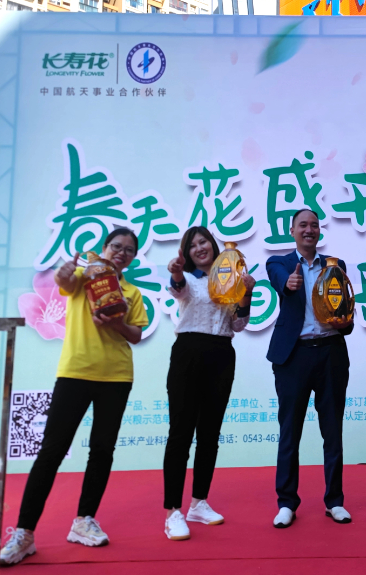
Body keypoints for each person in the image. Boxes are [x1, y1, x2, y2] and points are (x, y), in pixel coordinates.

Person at [0, 227, 148, 565]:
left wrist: (116, 324)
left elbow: (136, 335)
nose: (121, 253)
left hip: (116, 376)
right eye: (116, 246)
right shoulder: (84, 277)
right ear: (105, 248)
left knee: (102, 451)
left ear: (133, 258)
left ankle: (84, 521)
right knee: (51, 451)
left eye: (129, 250)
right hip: (75, 373)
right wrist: (64, 272)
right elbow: (63, 282)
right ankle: (24, 533)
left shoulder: (131, 292)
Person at [161, 226, 256, 541]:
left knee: (210, 434)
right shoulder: (188, 279)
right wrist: (176, 273)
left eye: (204, 242)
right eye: (193, 245)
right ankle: (173, 511)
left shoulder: (231, 280)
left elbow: (239, 325)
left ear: (214, 246)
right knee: (180, 434)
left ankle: (198, 503)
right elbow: (178, 290)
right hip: (188, 353)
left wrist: (247, 293)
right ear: (187, 253)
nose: (200, 248)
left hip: (222, 354)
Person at [265, 208, 354, 528]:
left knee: (333, 431)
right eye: (303, 225)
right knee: (290, 432)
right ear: (292, 230)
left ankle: (335, 501)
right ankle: (286, 503)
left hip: (330, 354)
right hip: (294, 357)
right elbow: (278, 279)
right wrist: (288, 283)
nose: (309, 229)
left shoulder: (335, 266)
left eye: (314, 225)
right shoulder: (279, 263)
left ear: (319, 231)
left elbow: (344, 308)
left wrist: (345, 321)